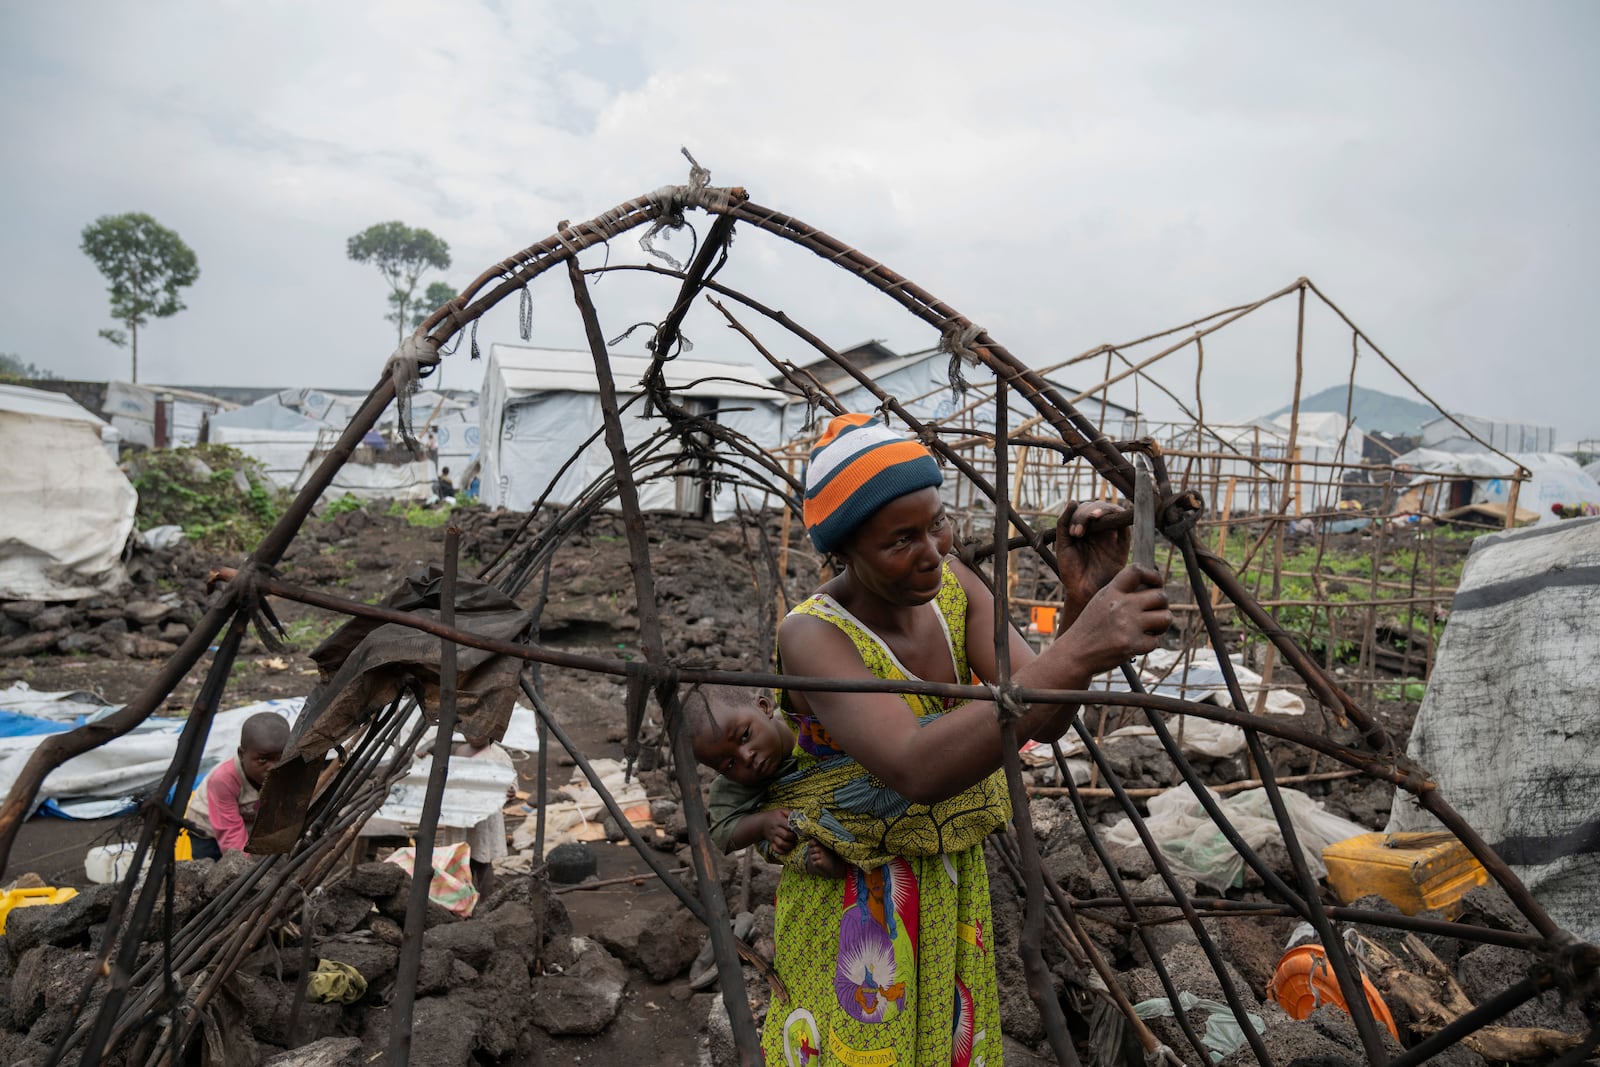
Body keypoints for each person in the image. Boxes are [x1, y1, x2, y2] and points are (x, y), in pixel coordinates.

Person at [764, 413, 1170, 1065]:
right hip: (856, 897)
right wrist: (1083, 645)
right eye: (901, 539)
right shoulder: (813, 634)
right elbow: (915, 767)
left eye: (937, 523)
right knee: (859, 1049)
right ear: (843, 551)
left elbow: (1044, 716)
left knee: (939, 1044)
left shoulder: (957, 593)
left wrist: (1076, 612)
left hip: (952, 883)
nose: (933, 550)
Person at [691, 684, 848, 878]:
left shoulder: (807, 722)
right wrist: (762, 824)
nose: (746, 757)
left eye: (745, 736)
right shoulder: (733, 787)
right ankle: (820, 863)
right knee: (777, 840)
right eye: (730, 764)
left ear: (764, 707)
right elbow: (722, 833)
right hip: (810, 838)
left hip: (854, 807)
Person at [418, 727, 517, 898]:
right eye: (469, 731)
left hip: (485, 818)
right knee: (462, 859)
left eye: (478, 731)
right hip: (461, 815)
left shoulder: (498, 755)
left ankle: (486, 899)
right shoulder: (460, 751)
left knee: (483, 860)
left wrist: (510, 790)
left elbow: (511, 780)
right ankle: (463, 898)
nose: (473, 735)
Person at [187, 712, 290, 860]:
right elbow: (230, 834)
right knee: (211, 868)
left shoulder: (286, 769)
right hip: (207, 828)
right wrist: (244, 868)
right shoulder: (223, 779)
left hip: (246, 819)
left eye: (280, 758)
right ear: (242, 754)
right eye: (262, 759)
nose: (273, 767)